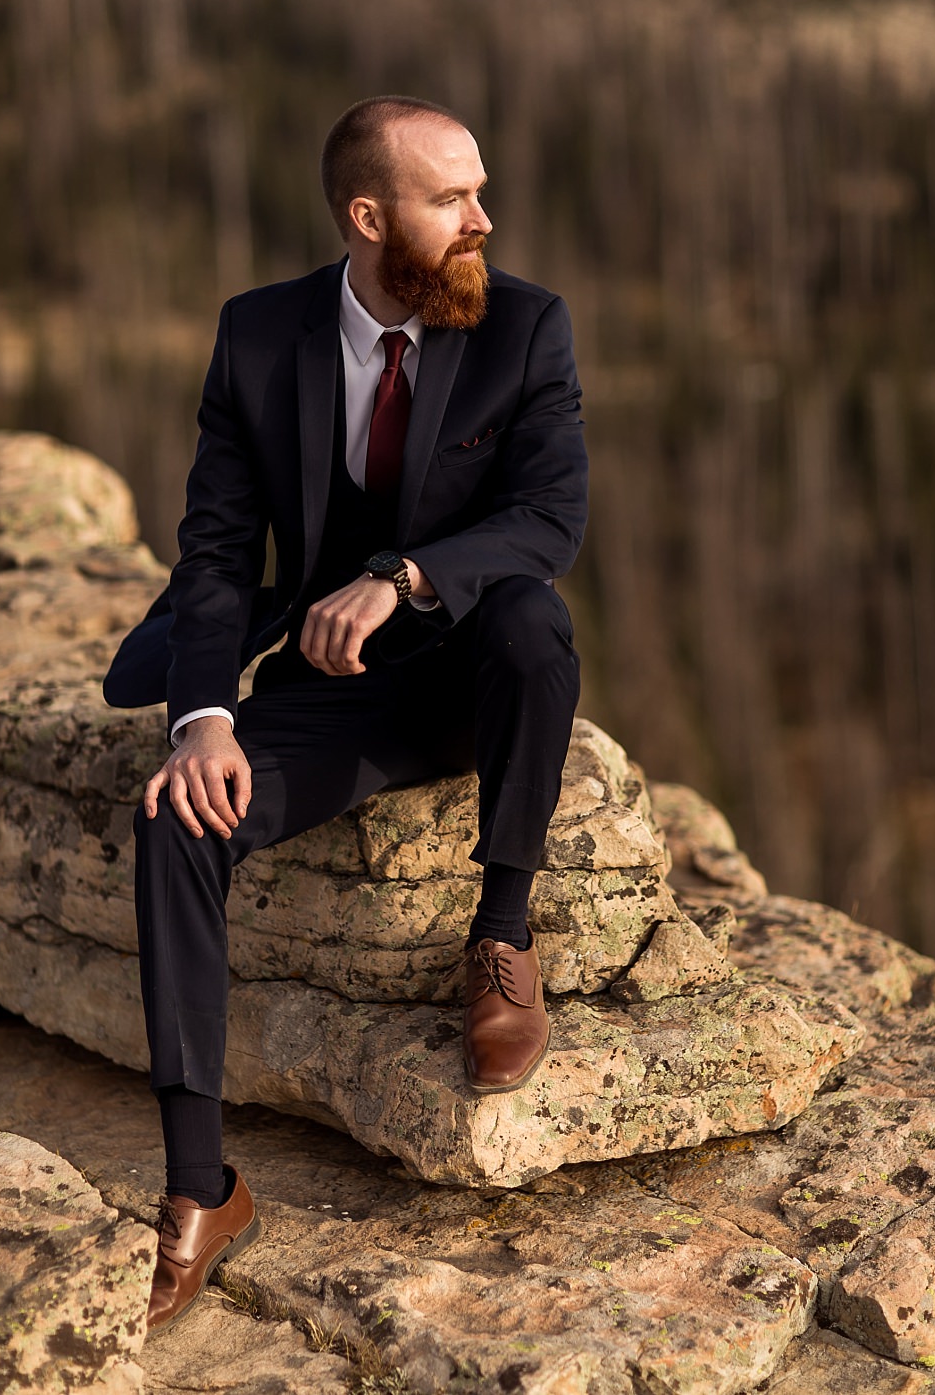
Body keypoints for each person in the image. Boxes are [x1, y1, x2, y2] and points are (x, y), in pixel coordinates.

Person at [101, 95, 589, 1333]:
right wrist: (201, 715)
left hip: (475, 677)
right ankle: (200, 1185)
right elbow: (214, 553)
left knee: (533, 619)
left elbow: (548, 519)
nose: (483, 219)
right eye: (451, 200)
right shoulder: (259, 337)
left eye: (480, 191)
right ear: (371, 218)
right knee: (176, 818)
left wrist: (403, 576)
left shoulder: (526, 326)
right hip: (332, 703)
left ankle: (503, 929)